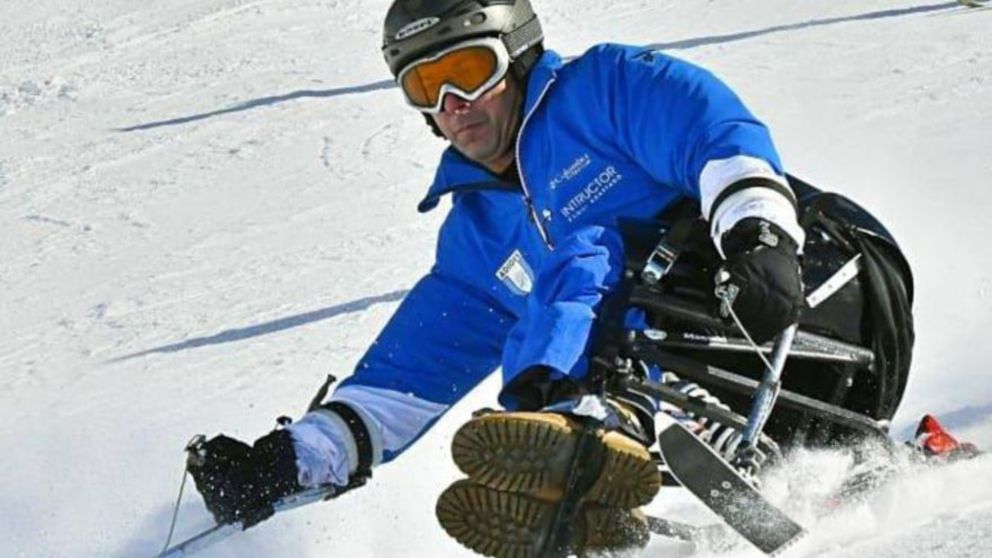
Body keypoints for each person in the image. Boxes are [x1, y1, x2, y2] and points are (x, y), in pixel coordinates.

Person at [186, 1, 920, 557]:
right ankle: (579, 461)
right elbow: (404, 379)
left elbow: (717, 138)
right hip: (777, 403)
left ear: (516, 54)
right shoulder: (478, 240)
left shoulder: (605, 89)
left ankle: (586, 429)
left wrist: (759, 234)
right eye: (426, 88)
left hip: (821, 289)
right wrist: (285, 463)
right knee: (555, 279)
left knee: (590, 249)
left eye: (467, 72)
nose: (454, 106)